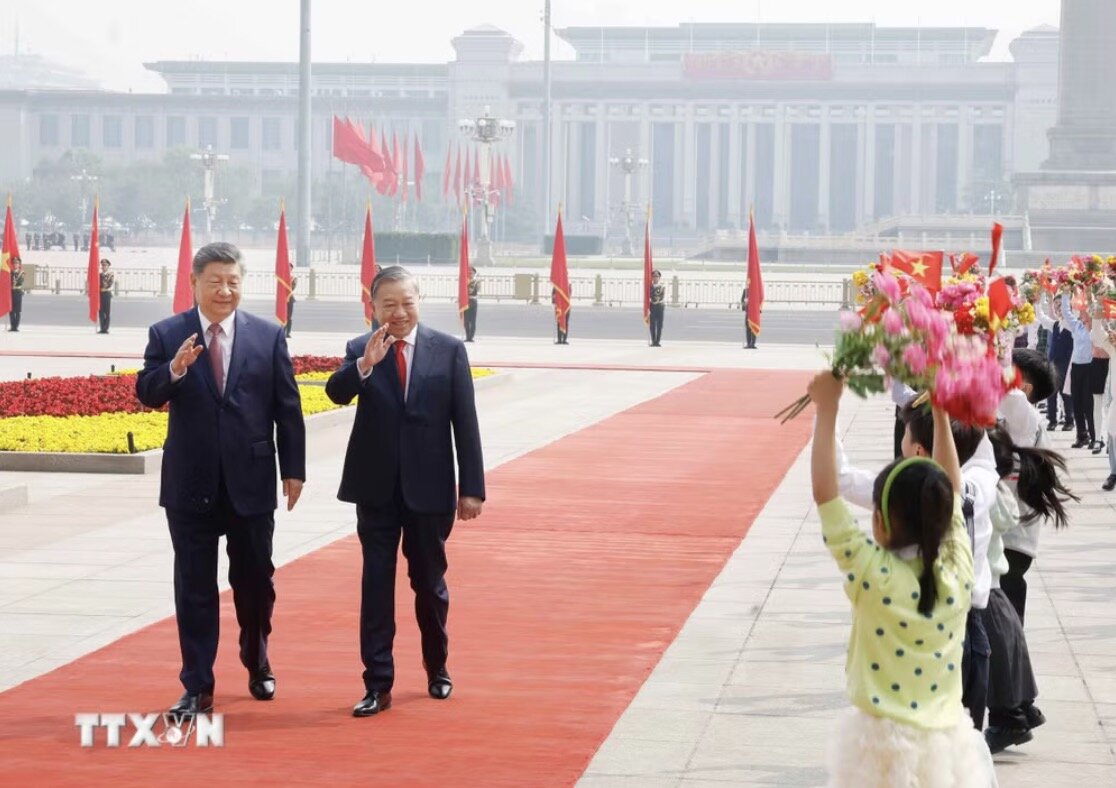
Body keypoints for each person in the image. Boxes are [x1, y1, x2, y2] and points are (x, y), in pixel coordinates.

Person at [135, 242, 306, 716]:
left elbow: (287, 408)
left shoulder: (268, 335)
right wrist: (173, 369)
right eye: (215, 282)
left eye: (233, 282)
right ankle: (197, 685)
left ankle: (257, 659)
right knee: (193, 585)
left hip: (250, 481)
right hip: (190, 483)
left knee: (255, 582)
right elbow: (145, 392)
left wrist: (293, 470)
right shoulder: (167, 333)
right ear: (194, 283)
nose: (225, 291)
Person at [808, 372, 994, 788]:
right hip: (947, 742)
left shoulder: (873, 575)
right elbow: (951, 482)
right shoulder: (957, 568)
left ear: (880, 520)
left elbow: (824, 495)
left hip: (880, 746)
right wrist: (942, 414)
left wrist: (827, 409)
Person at [324, 265, 485, 718]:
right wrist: (364, 365)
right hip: (375, 490)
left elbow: (465, 424)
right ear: (372, 308)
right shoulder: (361, 348)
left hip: (429, 491)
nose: (398, 312)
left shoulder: (448, 350)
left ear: (419, 301)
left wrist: (471, 488)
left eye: (406, 302)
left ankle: (437, 667)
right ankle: (378, 683)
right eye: (388, 305)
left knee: (428, 584)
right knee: (376, 585)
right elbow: (336, 393)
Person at [1037, 293, 1075, 432]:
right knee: (1051, 393)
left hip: (1066, 365)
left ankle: (1069, 420)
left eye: (1060, 305)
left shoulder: (1072, 325)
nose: (1058, 308)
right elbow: (1041, 317)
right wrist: (1037, 301)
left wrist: (1065, 298)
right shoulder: (1055, 325)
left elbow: (1067, 314)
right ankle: (1052, 420)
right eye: (1056, 305)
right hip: (1053, 364)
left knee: (1066, 395)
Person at [1062, 292, 1094, 448]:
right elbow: (1066, 313)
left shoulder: (1093, 329)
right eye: (1081, 310)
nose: (1082, 312)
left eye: (1085, 310)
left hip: (1089, 368)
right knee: (1077, 403)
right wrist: (1065, 293)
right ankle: (1081, 435)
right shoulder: (1077, 326)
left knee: (1088, 403)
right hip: (1076, 367)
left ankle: (1093, 434)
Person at [1090, 314, 1116, 490]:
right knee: (1113, 434)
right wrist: (1097, 312)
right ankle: (1114, 473)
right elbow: (1097, 337)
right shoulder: (1114, 346)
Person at [648, 269, 665, 346]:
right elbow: (650, 295)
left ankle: (657, 341)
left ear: (659, 277)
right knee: (652, 325)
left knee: (659, 325)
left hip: (660, 306)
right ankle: (653, 341)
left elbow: (661, 296)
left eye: (657, 276)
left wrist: (655, 298)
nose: (655, 278)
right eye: (654, 276)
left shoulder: (662, 286)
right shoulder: (650, 286)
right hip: (652, 306)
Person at [98, 259, 114, 334]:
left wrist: (103, 287)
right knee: (101, 312)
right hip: (100, 294)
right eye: (102, 265)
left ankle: (106, 328)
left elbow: (109, 284)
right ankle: (102, 328)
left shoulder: (110, 274)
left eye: (105, 265)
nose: (103, 267)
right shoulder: (99, 275)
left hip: (107, 294)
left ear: (108, 266)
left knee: (107, 312)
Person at [464, 266, 479, 342]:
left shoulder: (476, 281)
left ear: (474, 273)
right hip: (466, 302)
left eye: (472, 273)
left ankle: (471, 337)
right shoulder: (465, 281)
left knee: (472, 320)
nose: (470, 274)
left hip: (473, 301)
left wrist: (470, 282)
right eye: (469, 273)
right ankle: (467, 336)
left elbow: (471, 291)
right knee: (466, 320)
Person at [7, 258, 23, 332]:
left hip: (17, 292)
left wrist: (13, 280)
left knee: (17, 311)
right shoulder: (11, 273)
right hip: (11, 292)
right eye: (14, 263)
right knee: (11, 311)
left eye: (17, 263)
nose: (15, 264)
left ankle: (16, 326)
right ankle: (12, 326)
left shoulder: (21, 273)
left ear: (19, 265)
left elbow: (19, 282)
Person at [741, 283, 757, 349]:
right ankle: (748, 343)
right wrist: (745, 303)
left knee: (753, 328)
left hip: (754, 312)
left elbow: (759, 300)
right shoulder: (746, 291)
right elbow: (742, 300)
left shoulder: (756, 290)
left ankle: (752, 344)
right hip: (748, 311)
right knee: (748, 327)